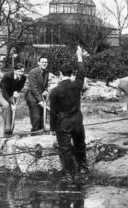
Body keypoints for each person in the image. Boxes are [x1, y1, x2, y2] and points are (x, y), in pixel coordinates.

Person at [49, 46, 89, 180]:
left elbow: (53, 112)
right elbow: (82, 72)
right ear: (71, 73)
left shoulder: (55, 91)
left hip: (63, 123)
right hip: (77, 120)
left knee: (65, 149)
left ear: (60, 74)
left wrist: (52, 128)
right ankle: (83, 168)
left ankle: (70, 173)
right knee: (80, 145)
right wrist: (79, 57)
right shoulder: (77, 85)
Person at [0, 63, 26, 136]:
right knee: (6, 106)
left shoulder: (23, 78)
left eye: (22, 71)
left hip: (10, 94)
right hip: (1, 92)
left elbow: (20, 87)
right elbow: (4, 90)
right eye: (19, 71)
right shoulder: (8, 76)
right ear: (15, 71)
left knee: (12, 111)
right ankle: (7, 128)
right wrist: (10, 102)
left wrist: (16, 92)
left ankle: (8, 131)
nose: (21, 73)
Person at [25, 56, 49, 132]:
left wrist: (45, 90)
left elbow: (45, 85)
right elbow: (33, 88)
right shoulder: (33, 72)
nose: (44, 64)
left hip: (40, 97)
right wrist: (40, 100)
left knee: (43, 117)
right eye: (42, 62)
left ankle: (41, 132)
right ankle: (34, 132)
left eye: (46, 62)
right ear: (38, 63)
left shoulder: (46, 72)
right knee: (36, 117)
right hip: (32, 98)